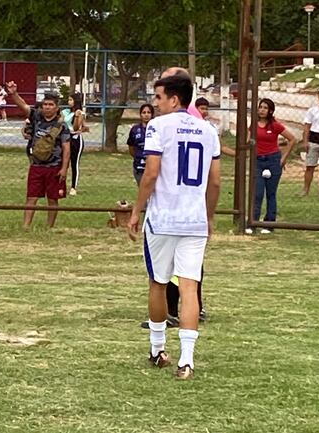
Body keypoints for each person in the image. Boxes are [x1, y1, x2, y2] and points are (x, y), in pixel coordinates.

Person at [127, 74, 221, 380]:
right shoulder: (209, 130)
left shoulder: (158, 126)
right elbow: (216, 180)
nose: (154, 103)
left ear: (174, 99)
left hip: (164, 218)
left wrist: (136, 210)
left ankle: (157, 350)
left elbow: (151, 173)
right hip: (194, 220)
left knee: (158, 282)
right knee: (189, 287)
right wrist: (208, 215)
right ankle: (187, 361)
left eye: (158, 97)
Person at [6, 81, 71, 228]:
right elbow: (22, 105)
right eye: (45, 104)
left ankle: (49, 226)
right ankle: (26, 226)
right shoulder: (36, 117)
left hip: (54, 166)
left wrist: (64, 168)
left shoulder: (62, 126)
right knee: (31, 197)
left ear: (56, 108)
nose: (47, 107)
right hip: (36, 165)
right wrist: (14, 93)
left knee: (53, 199)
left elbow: (66, 148)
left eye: (51, 105)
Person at [247, 98, 297, 234]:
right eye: (260, 107)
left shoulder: (275, 125)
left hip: (273, 160)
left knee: (271, 193)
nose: (262, 110)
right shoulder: (254, 124)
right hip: (258, 161)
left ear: (270, 111)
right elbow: (248, 139)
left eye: (265, 108)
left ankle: (269, 223)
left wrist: (283, 158)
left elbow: (292, 139)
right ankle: (252, 222)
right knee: (257, 193)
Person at [61, 92, 86, 195]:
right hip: (66, 138)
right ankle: (61, 186)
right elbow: (62, 123)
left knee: (74, 164)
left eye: (71, 100)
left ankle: (73, 187)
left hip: (76, 139)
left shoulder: (80, 113)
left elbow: (76, 127)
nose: (69, 102)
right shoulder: (65, 112)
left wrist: (76, 117)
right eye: (68, 100)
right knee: (64, 163)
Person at [127, 103, 154, 184]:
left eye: (148, 112)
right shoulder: (135, 129)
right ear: (140, 114)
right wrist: (138, 156)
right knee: (143, 189)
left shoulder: (157, 129)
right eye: (144, 112)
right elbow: (131, 147)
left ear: (152, 114)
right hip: (139, 166)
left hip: (152, 166)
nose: (146, 115)